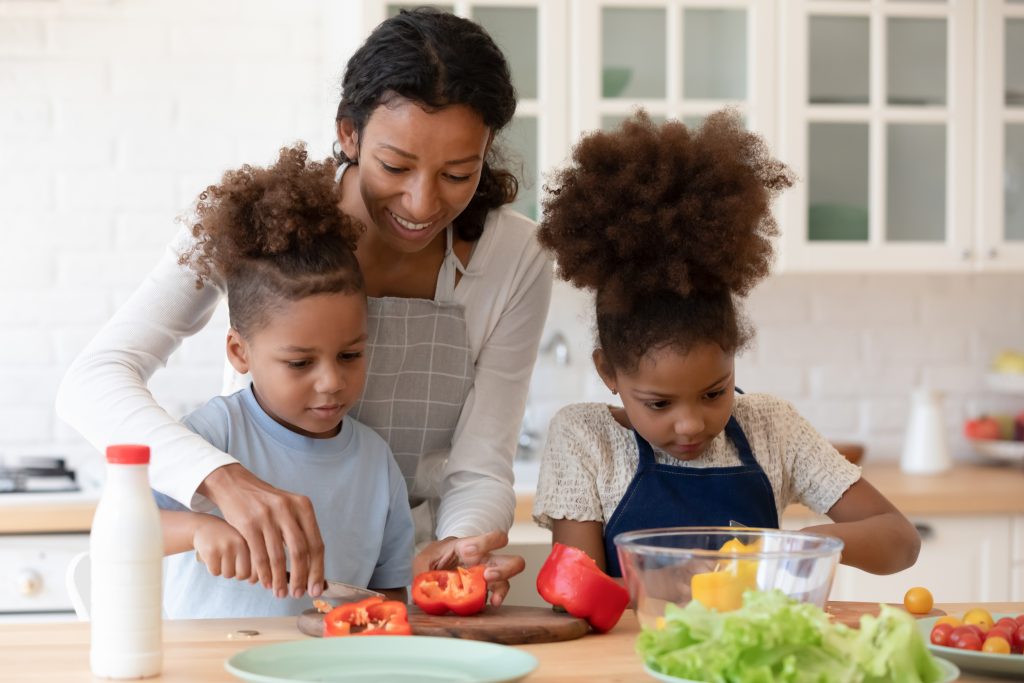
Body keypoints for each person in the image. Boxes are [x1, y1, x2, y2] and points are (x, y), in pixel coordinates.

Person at [56, 8, 550, 604]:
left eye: (457, 173)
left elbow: (480, 463)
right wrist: (222, 479)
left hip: (394, 574)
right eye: (395, 165)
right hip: (247, 578)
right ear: (349, 134)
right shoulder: (257, 221)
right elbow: (93, 380)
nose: (422, 203)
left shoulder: (515, 256)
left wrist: (463, 552)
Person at [532, 111, 920, 577]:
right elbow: (579, 591)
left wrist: (802, 547)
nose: (691, 424)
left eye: (714, 392)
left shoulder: (771, 428)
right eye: (659, 404)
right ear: (608, 372)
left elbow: (900, 540)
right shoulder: (585, 439)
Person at [155, 145, 413, 617]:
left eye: (351, 354)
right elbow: (124, 526)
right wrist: (197, 531)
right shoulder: (210, 437)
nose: (332, 382)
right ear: (240, 352)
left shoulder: (376, 463)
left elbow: (390, 592)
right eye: (299, 363)